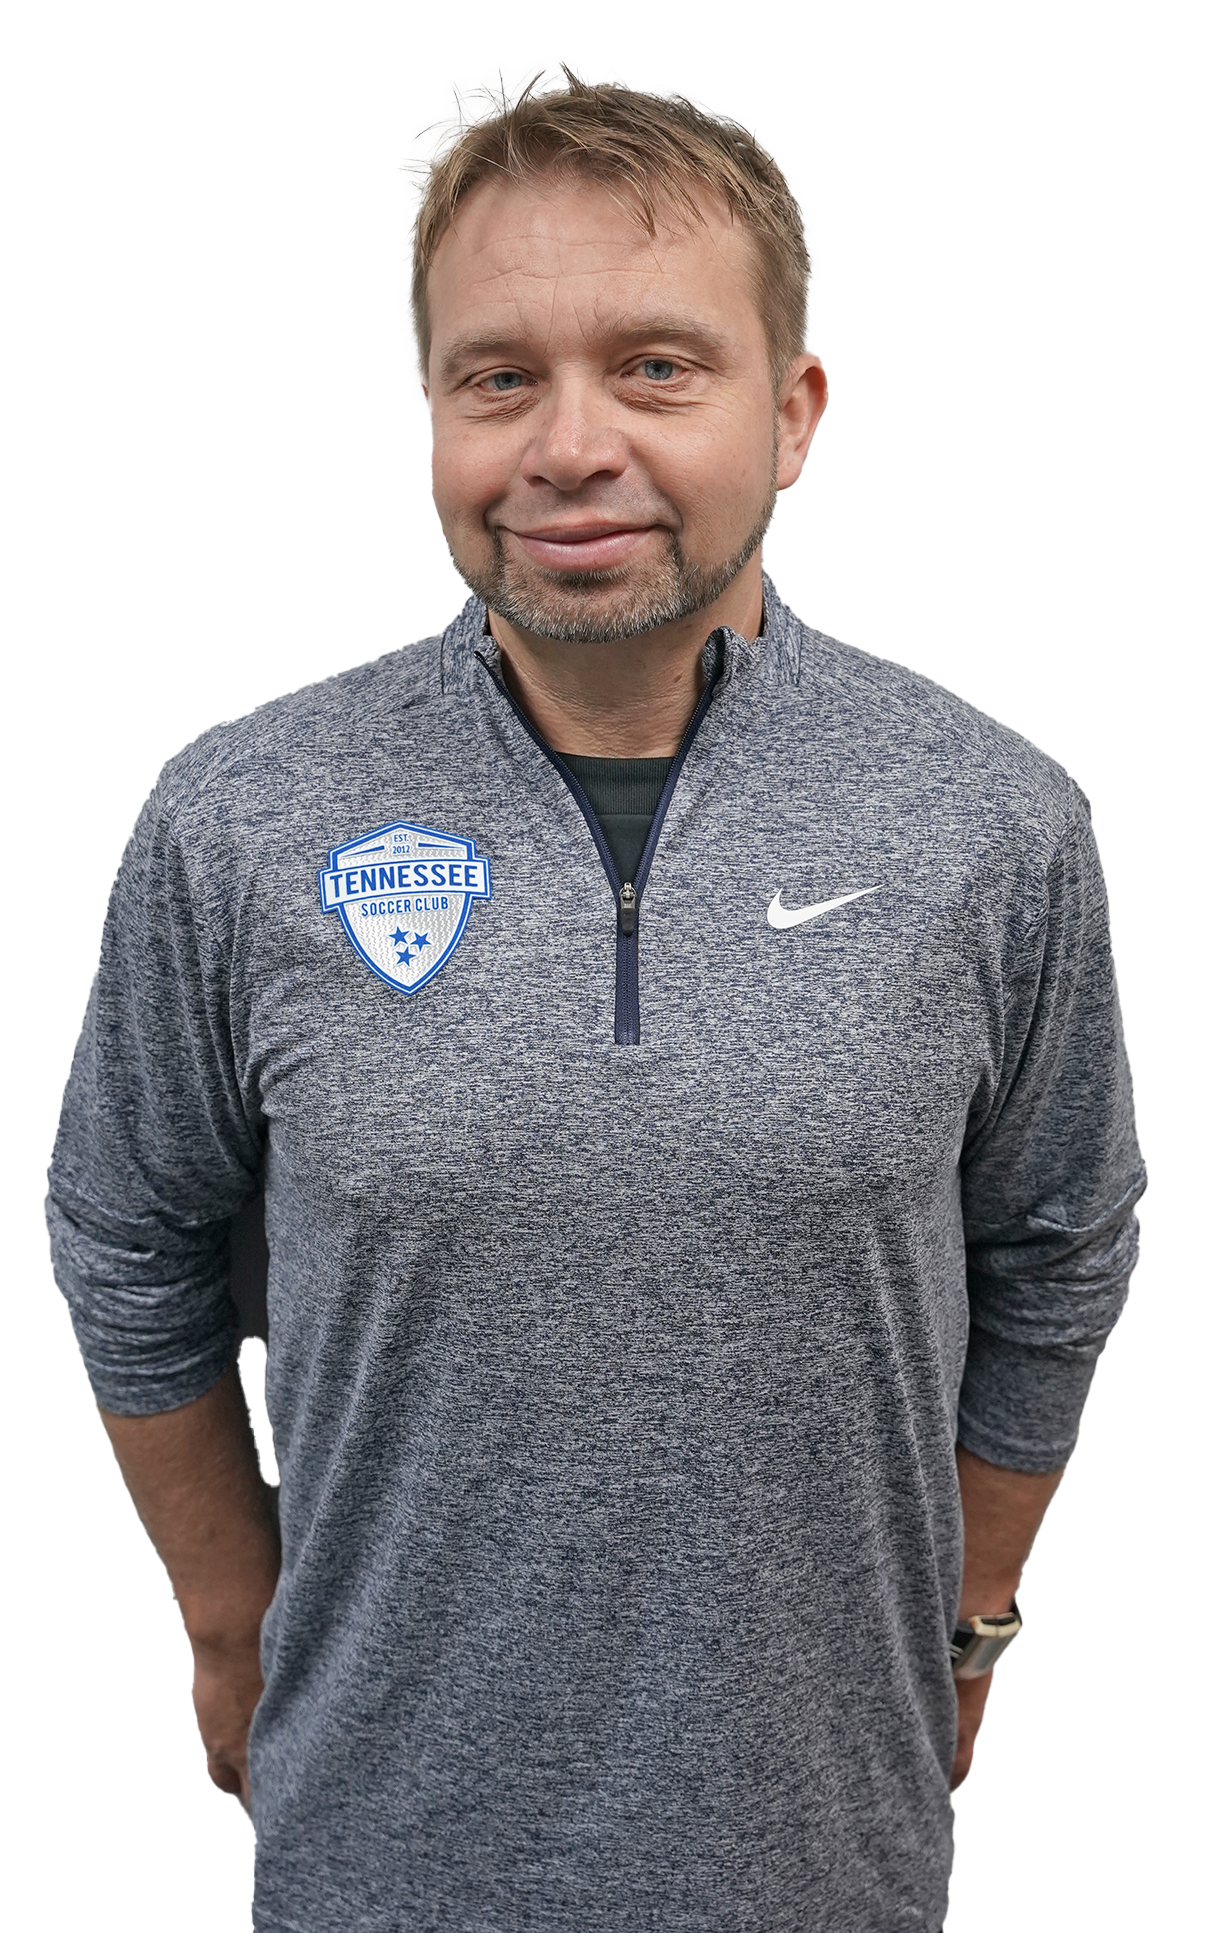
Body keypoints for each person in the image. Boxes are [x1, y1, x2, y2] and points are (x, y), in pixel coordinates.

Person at [45, 69, 1144, 1933]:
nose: (570, 447)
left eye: (655, 367)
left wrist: (968, 1617)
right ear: (433, 414)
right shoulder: (241, 812)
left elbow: (1060, 1238)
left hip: (822, 1854)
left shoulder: (993, 821)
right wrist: (230, 1625)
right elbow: (125, 1231)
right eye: (498, 377)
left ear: (790, 414)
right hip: (378, 1853)